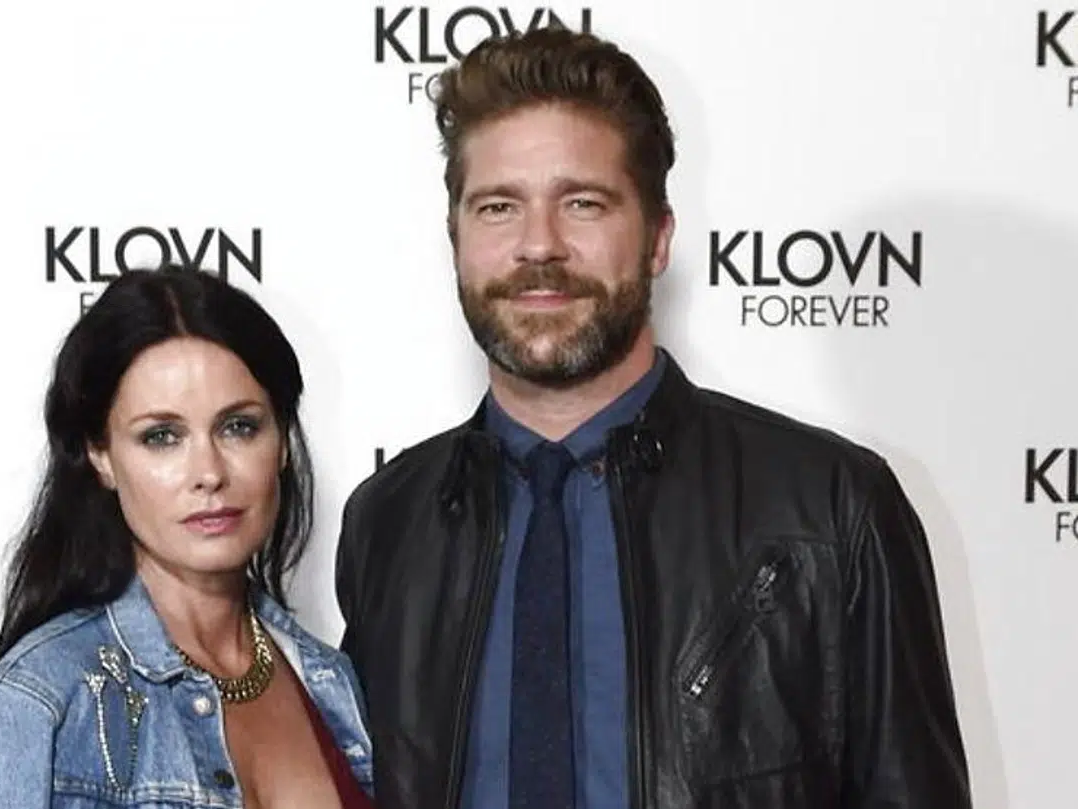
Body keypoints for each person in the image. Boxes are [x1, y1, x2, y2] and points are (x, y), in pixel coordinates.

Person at [335, 28, 971, 809]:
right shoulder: (389, 522)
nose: (539, 245)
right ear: (456, 238)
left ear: (659, 237)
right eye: (499, 207)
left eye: (583, 203)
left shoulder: (831, 509)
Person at [0, 267, 374, 808]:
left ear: (281, 440)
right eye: (162, 437)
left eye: (239, 426)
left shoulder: (332, 682)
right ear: (100, 456)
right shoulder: (38, 698)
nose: (209, 472)